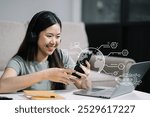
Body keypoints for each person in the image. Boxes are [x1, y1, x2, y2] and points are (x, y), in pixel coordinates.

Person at [0, 11, 91, 93]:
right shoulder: (19, 61)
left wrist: (84, 82)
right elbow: (2, 86)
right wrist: (46, 75)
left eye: (57, 36)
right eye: (49, 36)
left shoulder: (62, 57)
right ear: (34, 36)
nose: (54, 42)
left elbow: (84, 87)